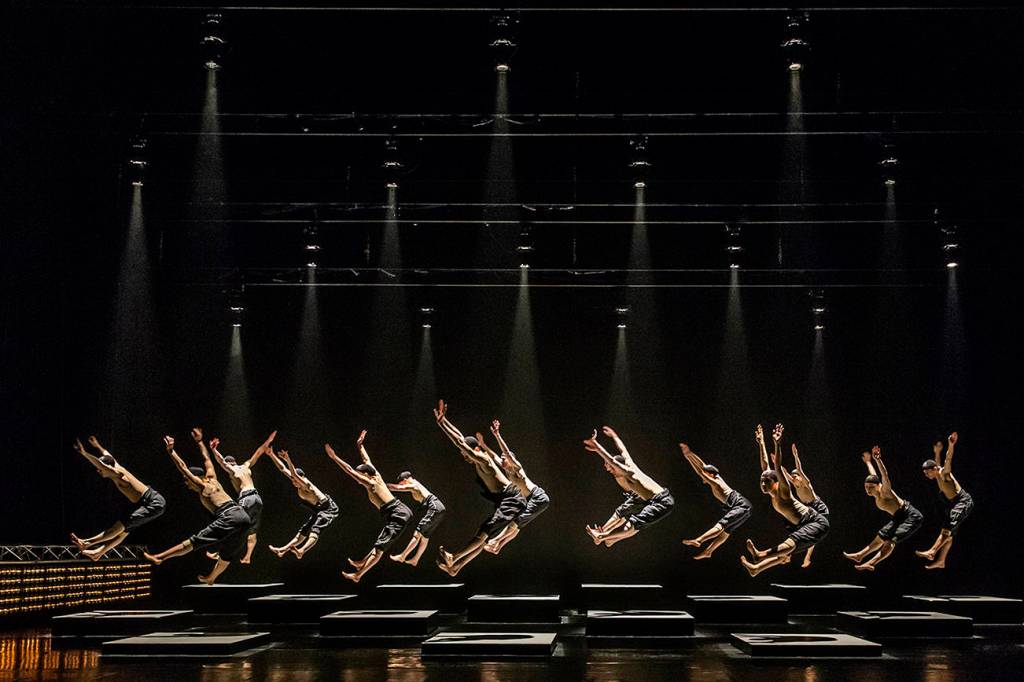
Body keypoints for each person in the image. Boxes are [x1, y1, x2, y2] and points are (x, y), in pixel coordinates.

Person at [143, 430, 250, 585]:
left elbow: (183, 467)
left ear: (195, 479)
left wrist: (171, 451)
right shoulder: (213, 478)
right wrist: (200, 442)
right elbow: (207, 459)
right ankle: (212, 577)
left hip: (229, 515)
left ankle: (159, 557)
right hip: (243, 516)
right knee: (227, 552)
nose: (188, 485)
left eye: (188, 482)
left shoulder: (201, 485)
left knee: (195, 541)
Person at [433, 400, 526, 576]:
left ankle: (455, 557)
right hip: (505, 501)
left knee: (484, 532)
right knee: (482, 538)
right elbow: (462, 438)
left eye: (467, 453)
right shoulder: (479, 460)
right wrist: (444, 421)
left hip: (512, 498)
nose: (465, 457)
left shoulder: (483, 459)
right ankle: (455, 568)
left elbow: (460, 442)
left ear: (475, 449)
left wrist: (442, 425)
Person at [325, 430, 413, 583]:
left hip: (398, 514)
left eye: (361, 476)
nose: (359, 479)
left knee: (380, 549)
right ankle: (361, 563)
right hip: (399, 512)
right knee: (380, 542)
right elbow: (367, 460)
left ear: (366, 475)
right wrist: (359, 445)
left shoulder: (371, 482)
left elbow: (350, 470)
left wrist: (334, 458)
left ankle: (358, 575)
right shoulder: (375, 474)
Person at [742, 424, 829, 577]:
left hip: (816, 522)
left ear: (776, 482)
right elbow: (765, 464)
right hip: (801, 524)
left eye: (766, 482)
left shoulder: (783, 491)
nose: (763, 484)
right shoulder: (771, 493)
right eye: (761, 481)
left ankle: (760, 556)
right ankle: (757, 569)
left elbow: (776, 465)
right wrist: (761, 442)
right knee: (787, 553)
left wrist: (777, 444)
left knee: (790, 543)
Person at [70, 435, 166, 561]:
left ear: (108, 468)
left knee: (121, 525)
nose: (98, 471)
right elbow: (108, 455)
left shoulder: (117, 474)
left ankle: (87, 542)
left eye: (100, 469)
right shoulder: (116, 465)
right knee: (125, 531)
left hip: (153, 502)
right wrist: (98, 446)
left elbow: (102, 464)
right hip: (147, 502)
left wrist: (84, 453)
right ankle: (98, 553)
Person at [582, 427, 675, 547]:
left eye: (613, 469)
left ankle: (602, 536)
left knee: (634, 524)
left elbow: (611, 460)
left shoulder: (628, 473)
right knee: (628, 518)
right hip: (651, 500)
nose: (611, 471)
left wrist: (597, 447)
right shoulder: (630, 464)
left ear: (618, 467)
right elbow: (623, 450)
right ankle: (609, 538)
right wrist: (615, 436)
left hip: (662, 501)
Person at [843, 446, 924, 571]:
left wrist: (878, 460)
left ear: (878, 486)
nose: (868, 490)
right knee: (881, 536)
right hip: (898, 517)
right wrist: (868, 462)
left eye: (871, 487)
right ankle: (860, 555)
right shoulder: (875, 491)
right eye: (866, 487)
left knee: (890, 540)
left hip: (910, 516)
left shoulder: (885, 491)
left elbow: (884, 475)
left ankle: (871, 563)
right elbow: (873, 474)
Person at [476, 420, 550, 555]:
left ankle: (495, 541)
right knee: (516, 524)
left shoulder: (517, 468)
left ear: (511, 461)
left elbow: (506, 452)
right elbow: (493, 456)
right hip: (529, 499)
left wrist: (497, 435)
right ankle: (498, 547)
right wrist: (483, 445)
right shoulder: (506, 468)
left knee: (516, 521)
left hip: (537, 496)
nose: (502, 460)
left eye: (505, 459)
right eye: (502, 458)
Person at [206, 430, 276, 564]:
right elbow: (259, 452)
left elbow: (221, 462)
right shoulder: (245, 466)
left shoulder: (233, 470)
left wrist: (214, 450)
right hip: (257, 499)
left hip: (247, 498)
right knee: (252, 529)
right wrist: (269, 440)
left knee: (232, 524)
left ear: (230, 464)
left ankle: (218, 552)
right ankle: (248, 557)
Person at [679, 441, 751, 560]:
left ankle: (699, 540)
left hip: (741, 505)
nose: (704, 478)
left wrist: (689, 458)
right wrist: (689, 454)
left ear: (711, 475)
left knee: (721, 525)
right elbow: (703, 466)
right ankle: (709, 551)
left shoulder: (716, 483)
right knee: (726, 531)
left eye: (707, 475)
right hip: (744, 507)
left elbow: (700, 471)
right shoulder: (716, 477)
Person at [266, 446, 339, 559]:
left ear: (301, 478)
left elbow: (294, 474)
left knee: (315, 528)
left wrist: (288, 458)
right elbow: (283, 469)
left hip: (328, 507)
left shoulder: (305, 483)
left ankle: (302, 551)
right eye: (292, 480)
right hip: (318, 509)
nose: (293, 482)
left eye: (295, 480)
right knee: (304, 529)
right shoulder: (296, 480)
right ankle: (282, 550)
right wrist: (271, 455)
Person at [916, 432, 973, 569]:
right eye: (925, 473)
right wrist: (937, 451)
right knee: (950, 533)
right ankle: (941, 561)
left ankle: (933, 551)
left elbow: (948, 460)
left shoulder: (944, 474)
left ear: (934, 469)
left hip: (963, 501)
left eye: (927, 472)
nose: (926, 475)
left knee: (947, 527)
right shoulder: (937, 473)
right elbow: (938, 462)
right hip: (954, 503)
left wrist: (951, 445)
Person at [387, 472, 446, 566]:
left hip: (434, 507)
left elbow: (397, 488)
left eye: (401, 483)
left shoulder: (413, 485)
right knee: (425, 537)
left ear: (405, 480)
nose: (400, 485)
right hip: (439, 508)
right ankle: (415, 559)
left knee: (417, 533)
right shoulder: (416, 484)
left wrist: (380, 485)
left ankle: (403, 556)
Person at [788, 442, 830, 568]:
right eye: (793, 477)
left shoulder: (806, 484)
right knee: (808, 532)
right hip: (810, 509)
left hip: (819, 507)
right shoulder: (796, 485)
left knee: (813, 532)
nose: (793, 478)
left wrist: (795, 455)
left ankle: (806, 557)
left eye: (796, 476)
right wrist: (776, 463)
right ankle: (790, 554)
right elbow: (784, 474)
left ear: (800, 478)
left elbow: (799, 470)